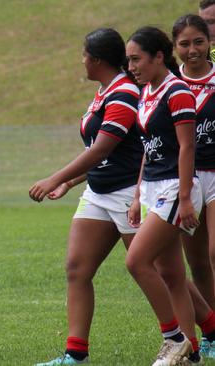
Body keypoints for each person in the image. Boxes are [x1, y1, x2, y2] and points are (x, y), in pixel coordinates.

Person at [29, 28, 142, 365]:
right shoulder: (103, 90)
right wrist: (72, 183)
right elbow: (99, 152)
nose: (81, 61)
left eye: (83, 55)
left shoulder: (123, 93)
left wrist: (54, 178)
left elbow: (105, 147)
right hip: (98, 191)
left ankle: (204, 334)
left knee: (158, 270)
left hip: (128, 192)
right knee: (77, 268)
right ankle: (75, 355)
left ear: (95, 60)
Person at [125, 26, 203, 365]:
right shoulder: (147, 93)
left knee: (136, 261)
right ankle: (191, 353)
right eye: (128, 60)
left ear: (159, 56)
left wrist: (186, 198)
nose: (132, 67)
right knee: (172, 275)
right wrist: (138, 193)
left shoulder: (177, 92)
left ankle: (173, 339)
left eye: (137, 59)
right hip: (155, 188)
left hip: (175, 187)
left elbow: (187, 147)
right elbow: (148, 149)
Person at [174, 14, 215, 360]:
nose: (192, 50)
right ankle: (213, 332)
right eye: (184, 44)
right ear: (174, 48)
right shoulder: (171, 84)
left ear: (209, 42)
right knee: (198, 262)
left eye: (198, 42)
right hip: (185, 177)